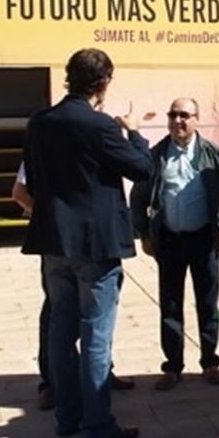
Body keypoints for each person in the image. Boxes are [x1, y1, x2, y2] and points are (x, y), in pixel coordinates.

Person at [22, 48, 151, 438]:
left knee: (61, 332)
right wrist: (133, 131)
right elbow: (144, 169)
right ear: (103, 83)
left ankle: (67, 417)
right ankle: (98, 425)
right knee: (96, 336)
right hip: (94, 247)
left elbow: (35, 176)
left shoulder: (40, 122)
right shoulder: (100, 126)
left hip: (54, 243)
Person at [131, 97, 219, 390]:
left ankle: (210, 363)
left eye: (184, 115)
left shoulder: (212, 154)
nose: (177, 121)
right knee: (170, 304)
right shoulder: (157, 156)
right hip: (168, 241)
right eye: (172, 115)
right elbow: (138, 197)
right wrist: (144, 233)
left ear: (196, 119)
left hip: (204, 240)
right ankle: (172, 367)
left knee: (207, 302)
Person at [15, 163, 136, 409]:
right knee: (60, 318)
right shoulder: (43, 143)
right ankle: (52, 384)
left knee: (91, 318)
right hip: (61, 247)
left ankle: (99, 377)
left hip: (83, 244)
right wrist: (51, 220)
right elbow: (19, 192)